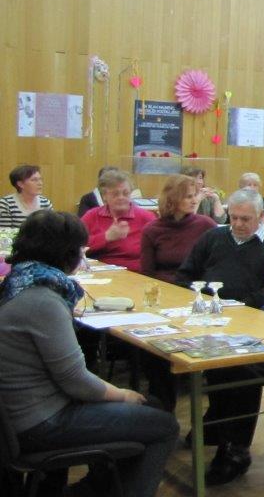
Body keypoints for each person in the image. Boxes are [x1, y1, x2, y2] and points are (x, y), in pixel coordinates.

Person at [0, 211, 178, 497]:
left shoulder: (19, 282)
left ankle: (94, 489)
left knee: (151, 407)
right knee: (164, 425)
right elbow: (75, 380)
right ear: (66, 254)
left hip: (22, 414)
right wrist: (122, 395)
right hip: (39, 422)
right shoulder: (42, 299)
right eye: (81, 250)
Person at [175, 188, 264, 484]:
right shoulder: (213, 237)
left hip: (253, 325)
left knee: (240, 370)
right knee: (209, 364)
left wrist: (243, 305)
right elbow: (185, 275)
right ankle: (216, 424)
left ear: (261, 217)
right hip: (209, 321)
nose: (237, 224)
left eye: (245, 219)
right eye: (233, 217)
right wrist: (199, 299)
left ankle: (235, 448)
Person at [140, 174, 217, 283]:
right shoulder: (151, 230)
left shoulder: (206, 225)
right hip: (164, 286)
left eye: (195, 195)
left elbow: (216, 265)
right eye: (189, 197)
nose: (195, 201)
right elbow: (147, 272)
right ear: (173, 198)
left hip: (196, 287)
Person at [80, 170, 156, 272]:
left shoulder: (146, 217)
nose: (121, 197)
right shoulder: (92, 216)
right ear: (104, 196)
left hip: (135, 273)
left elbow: (159, 248)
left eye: (125, 193)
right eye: (115, 194)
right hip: (98, 273)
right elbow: (75, 246)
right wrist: (106, 237)